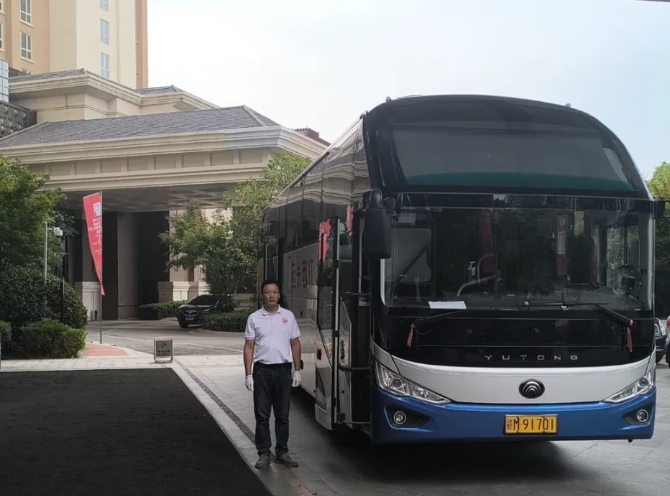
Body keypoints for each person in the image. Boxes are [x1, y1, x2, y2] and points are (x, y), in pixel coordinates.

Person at [243, 279, 302, 469]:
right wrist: (248, 374)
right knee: (262, 415)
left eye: (275, 292)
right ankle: (264, 453)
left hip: (283, 370)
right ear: (262, 295)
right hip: (262, 371)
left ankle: (282, 452)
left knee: (282, 415)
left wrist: (297, 370)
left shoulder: (288, 316)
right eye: (268, 292)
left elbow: (295, 343)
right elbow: (249, 346)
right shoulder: (254, 318)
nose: (271, 295)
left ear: (279, 295)